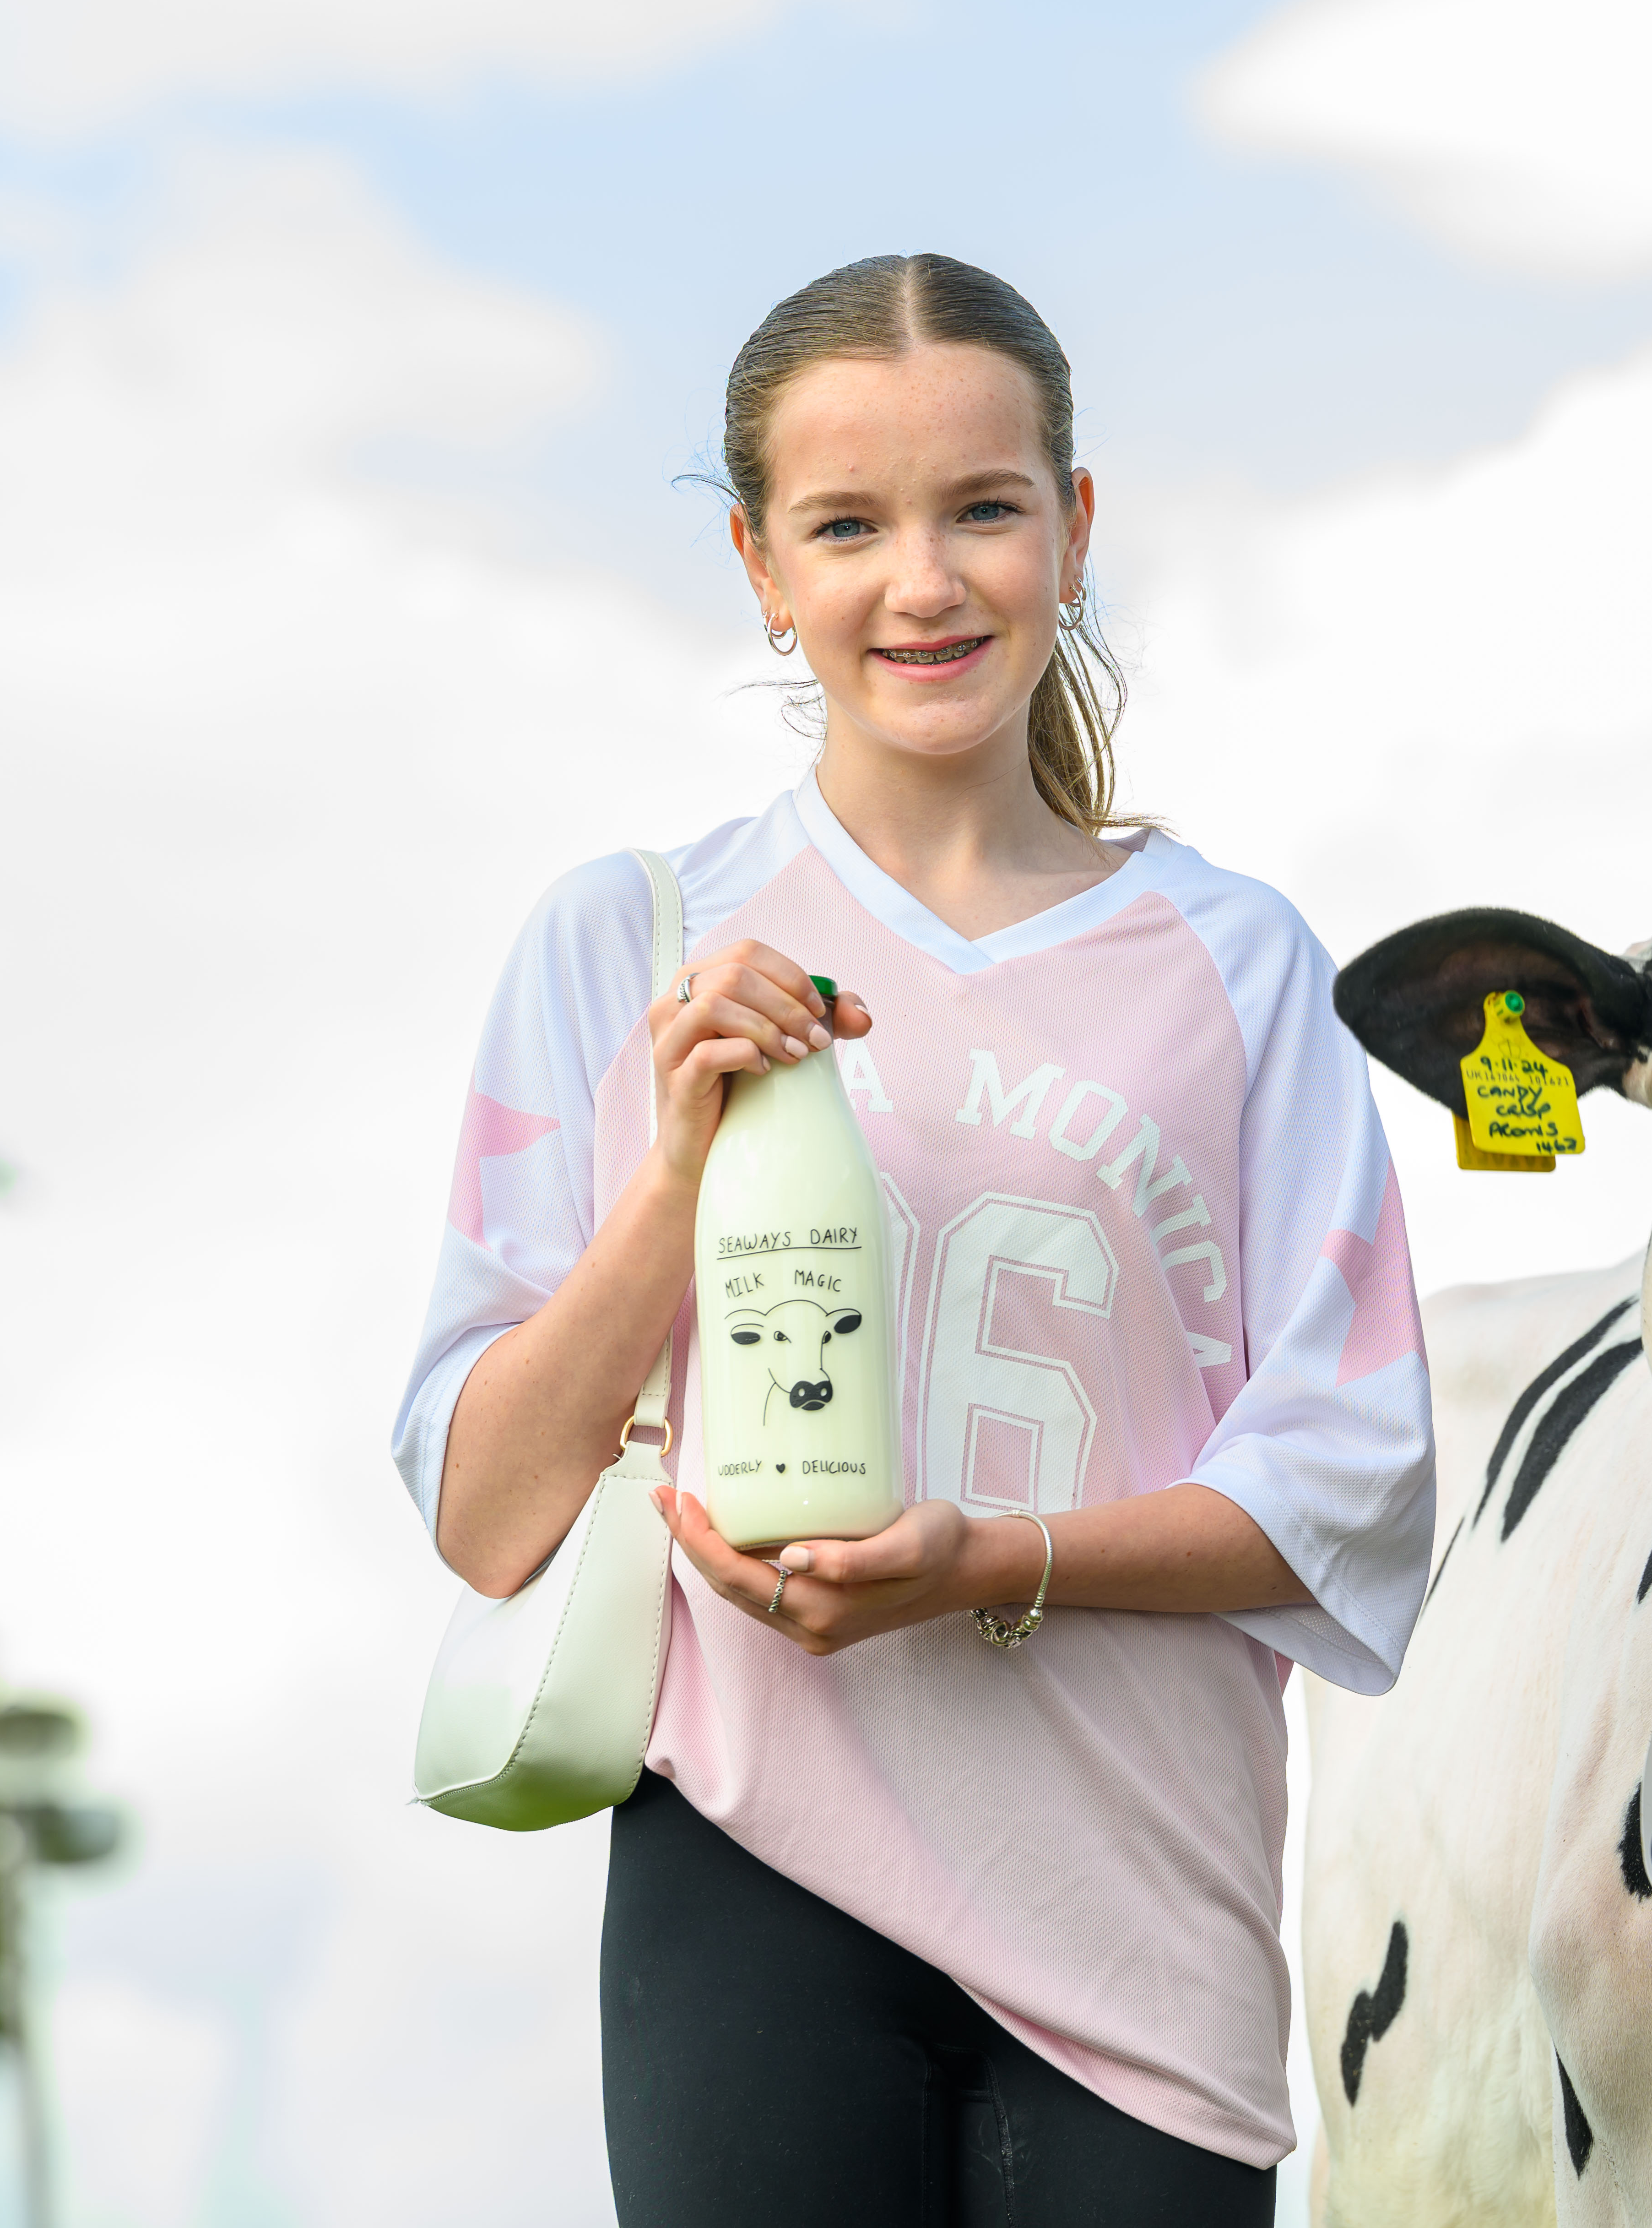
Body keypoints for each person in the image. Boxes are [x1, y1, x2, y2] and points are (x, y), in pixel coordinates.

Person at [393, 254, 1435, 2226]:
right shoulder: (628, 942)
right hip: (749, 1868)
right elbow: (487, 1512)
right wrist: (676, 1172)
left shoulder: (1239, 967)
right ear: (759, 568)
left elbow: (1352, 1485)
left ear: (1077, 525)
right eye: (846, 527)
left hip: (1148, 1906)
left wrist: (992, 1562)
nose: (923, 583)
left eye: (983, 509)